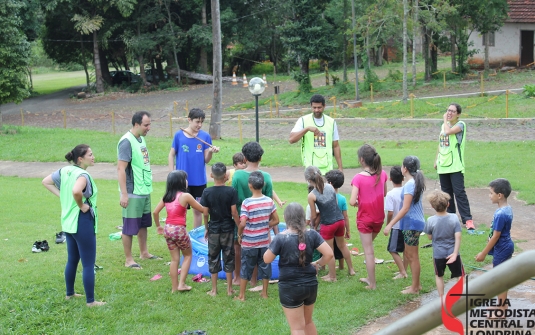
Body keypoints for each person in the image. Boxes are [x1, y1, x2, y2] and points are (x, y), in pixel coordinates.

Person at [42, 144, 105, 307]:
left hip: (68, 223)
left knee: (72, 260)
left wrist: (62, 196)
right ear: (80, 158)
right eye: (90, 155)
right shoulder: (82, 175)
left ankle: (69, 294)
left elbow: (46, 182)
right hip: (82, 221)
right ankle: (91, 301)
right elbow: (77, 191)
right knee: (88, 263)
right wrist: (81, 205)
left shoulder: (65, 170)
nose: (93, 157)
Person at [264, 203, 333, 335]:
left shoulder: (281, 238)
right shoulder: (312, 234)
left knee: (297, 328)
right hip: (310, 285)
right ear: (302, 217)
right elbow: (329, 254)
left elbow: (267, 259)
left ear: (286, 217)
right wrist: (317, 263)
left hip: (290, 287)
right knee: (308, 322)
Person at [231, 141, 277, 286]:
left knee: (238, 248)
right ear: (260, 158)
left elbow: (234, 201)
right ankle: (253, 280)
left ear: (244, 158)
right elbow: (269, 202)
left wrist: (239, 225)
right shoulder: (267, 177)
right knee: (259, 250)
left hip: (240, 219)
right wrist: (266, 226)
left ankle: (237, 277)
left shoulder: (237, 176)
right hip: (261, 221)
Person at [117, 111, 158, 270]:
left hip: (144, 189)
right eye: (146, 125)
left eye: (149, 124)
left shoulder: (141, 140)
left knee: (143, 224)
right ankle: (129, 259)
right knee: (129, 227)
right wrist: (124, 194)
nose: (149, 128)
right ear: (136, 124)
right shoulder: (126, 142)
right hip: (132, 191)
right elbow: (121, 169)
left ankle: (144, 252)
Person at [153, 170, 206, 292]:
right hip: (179, 230)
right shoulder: (185, 196)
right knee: (188, 255)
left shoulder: (166, 197)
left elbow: (155, 212)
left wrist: (158, 226)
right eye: (185, 179)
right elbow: (202, 210)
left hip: (168, 230)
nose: (187, 181)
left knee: (174, 259)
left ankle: (174, 288)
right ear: (180, 182)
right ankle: (182, 284)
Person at [168, 108, 220, 229]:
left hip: (199, 181)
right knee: (180, 210)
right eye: (197, 121)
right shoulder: (178, 135)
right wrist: (171, 174)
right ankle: (182, 235)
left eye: (202, 122)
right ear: (189, 120)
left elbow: (206, 159)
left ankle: (195, 237)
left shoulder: (205, 136)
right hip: (181, 181)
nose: (199, 125)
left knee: (198, 211)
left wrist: (211, 152)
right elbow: (171, 154)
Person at [384, 156, 426, 294]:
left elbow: (405, 208)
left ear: (405, 169)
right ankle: (416, 285)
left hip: (411, 223)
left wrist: (390, 224)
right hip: (413, 223)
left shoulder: (409, 185)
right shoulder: (414, 182)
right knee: (409, 254)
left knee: (412, 257)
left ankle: (415, 288)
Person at [236, 172, 280, 301]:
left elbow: (243, 223)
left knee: (246, 267)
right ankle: (264, 293)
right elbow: (276, 220)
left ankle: (241, 295)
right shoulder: (269, 201)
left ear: (250, 186)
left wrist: (239, 234)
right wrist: (265, 225)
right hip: (264, 242)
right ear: (263, 184)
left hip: (249, 242)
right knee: (265, 266)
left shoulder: (247, 203)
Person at [349, 144, 388, 289]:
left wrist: (360, 202)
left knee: (368, 252)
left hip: (365, 219)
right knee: (369, 248)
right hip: (379, 218)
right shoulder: (382, 174)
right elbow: (383, 193)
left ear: (361, 160)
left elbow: (352, 201)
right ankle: (369, 279)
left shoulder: (358, 178)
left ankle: (372, 283)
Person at [306, 166, 355, 282]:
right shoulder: (330, 186)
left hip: (328, 224)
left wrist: (312, 224)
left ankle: (332, 276)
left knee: (329, 250)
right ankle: (351, 270)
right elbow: (336, 203)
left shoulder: (311, 195)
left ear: (308, 180)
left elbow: (313, 215)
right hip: (339, 220)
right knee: (342, 246)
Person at [200, 163, 240, 296]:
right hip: (228, 229)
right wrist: (239, 226)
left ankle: (214, 290)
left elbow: (205, 213)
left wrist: (207, 227)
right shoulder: (231, 191)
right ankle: (229, 289)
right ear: (225, 176)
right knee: (229, 257)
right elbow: (234, 212)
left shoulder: (207, 192)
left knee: (213, 257)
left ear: (211, 175)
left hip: (214, 230)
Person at [475, 178, 514, 314]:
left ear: (499, 195)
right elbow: (497, 233)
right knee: (500, 277)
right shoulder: (506, 209)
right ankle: (500, 305)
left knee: (500, 279)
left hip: (502, 248)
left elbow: (497, 236)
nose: (489, 195)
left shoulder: (501, 214)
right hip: (504, 246)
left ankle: (502, 309)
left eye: (491, 193)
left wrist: (483, 253)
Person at [434, 103, 474, 230]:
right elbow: (440, 144)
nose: (449, 113)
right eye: (448, 110)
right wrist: (436, 159)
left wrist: (445, 120)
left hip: (455, 166)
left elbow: (448, 132)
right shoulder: (443, 126)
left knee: (459, 193)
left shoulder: (460, 125)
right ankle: (450, 217)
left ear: (458, 114)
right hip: (443, 165)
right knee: (446, 194)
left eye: (452, 111)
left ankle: (467, 220)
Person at [289, 94, 343, 174]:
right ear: (311, 106)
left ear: (324, 106)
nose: (316, 110)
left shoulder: (331, 122)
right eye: (314, 107)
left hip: (327, 168)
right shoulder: (303, 120)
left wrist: (340, 167)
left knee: (328, 187)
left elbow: (335, 145)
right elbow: (291, 140)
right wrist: (307, 129)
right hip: (311, 169)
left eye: (319, 107)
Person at [424, 190, 464, 298]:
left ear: (432, 206)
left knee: (439, 275)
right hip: (452, 252)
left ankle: (441, 298)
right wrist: (455, 253)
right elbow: (458, 236)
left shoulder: (431, 220)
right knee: (460, 275)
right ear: (448, 204)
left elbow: (429, 237)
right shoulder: (454, 218)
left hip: (438, 254)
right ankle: (459, 296)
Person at [384, 166, 408, 280]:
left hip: (397, 226)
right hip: (407, 225)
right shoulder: (407, 191)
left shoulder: (390, 194)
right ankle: (404, 269)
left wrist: (389, 224)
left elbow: (390, 213)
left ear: (390, 179)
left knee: (392, 249)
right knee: (405, 249)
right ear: (403, 178)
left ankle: (402, 272)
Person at [325, 169, 350, 271]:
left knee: (331, 248)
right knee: (342, 246)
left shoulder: (325, 197)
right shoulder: (342, 198)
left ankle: (332, 271)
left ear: (330, 183)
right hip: (340, 224)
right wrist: (347, 230)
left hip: (329, 225)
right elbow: (346, 216)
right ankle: (346, 267)